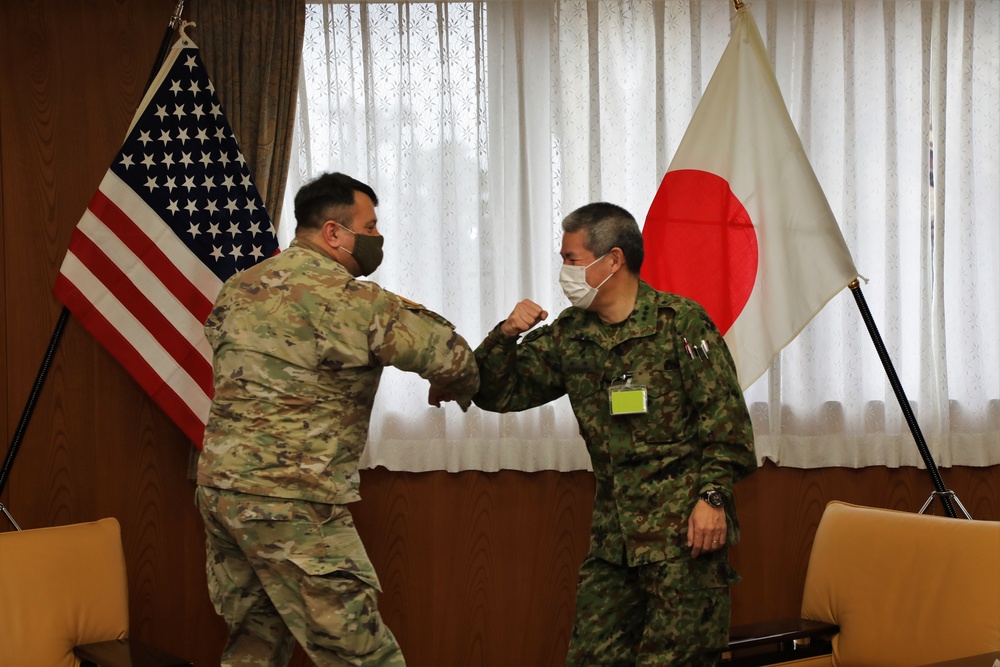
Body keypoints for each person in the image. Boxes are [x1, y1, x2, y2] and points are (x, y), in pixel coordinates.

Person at [195, 172, 479, 666]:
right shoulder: (349, 299)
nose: (375, 238)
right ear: (333, 233)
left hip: (222, 493)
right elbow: (454, 359)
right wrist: (459, 378)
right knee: (362, 655)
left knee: (254, 646)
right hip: (291, 501)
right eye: (369, 227)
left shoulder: (238, 288)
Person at [472, 202, 756, 666]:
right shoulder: (571, 334)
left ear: (614, 260)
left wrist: (713, 498)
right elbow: (498, 393)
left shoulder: (679, 323)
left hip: (683, 540)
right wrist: (505, 335)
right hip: (613, 543)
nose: (563, 270)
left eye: (572, 259)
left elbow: (728, 427)